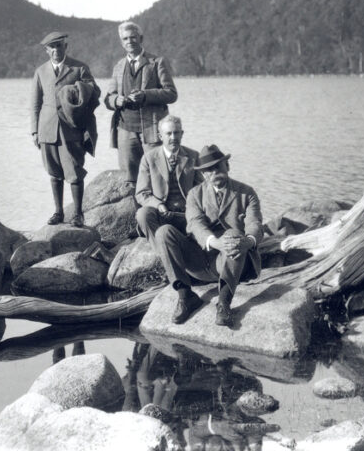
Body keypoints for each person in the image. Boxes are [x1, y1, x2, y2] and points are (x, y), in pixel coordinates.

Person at [159, 144, 263, 327]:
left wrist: (248, 241)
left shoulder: (247, 193)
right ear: (203, 175)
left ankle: (223, 304)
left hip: (233, 260)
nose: (214, 172)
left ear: (227, 166)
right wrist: (215, 243)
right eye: (208, 170)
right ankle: (185, 296)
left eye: (218, 166)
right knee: (164, 232)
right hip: (199, 261)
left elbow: (254, 223)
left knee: (233, 235)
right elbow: (194, 223)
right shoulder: (194, 194)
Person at [31, 31, 100, 227]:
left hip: (72, 127)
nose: (55, 50)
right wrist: (35, 131)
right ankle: (58, 212)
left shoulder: (79, 68)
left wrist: (78, 90)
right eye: (51, 47)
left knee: (74, 170)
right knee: (54, 171)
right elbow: (35, 104)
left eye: (59, 46)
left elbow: (95, 93)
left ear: (65, 47)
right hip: (47, 128)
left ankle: (78, 214)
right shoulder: (40, 72)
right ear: (46, 50)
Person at [104, 21, 178, 185]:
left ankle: (158, 209)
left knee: (157, 174)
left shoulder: (157, 62)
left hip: (152, 129)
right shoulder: (118, 66)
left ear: (141, 38)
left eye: (133, 37)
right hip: (125, 130)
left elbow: (172, 94)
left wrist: (145, 95)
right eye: (125, 39)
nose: (129, 41)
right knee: (129, 178)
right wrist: (118, 100)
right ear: (122, 42)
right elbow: (108, 98)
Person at [135, 114, 201, 242]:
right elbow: (141, 193)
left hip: (186, 214)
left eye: (176, 133)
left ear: (182, 134)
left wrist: (192, 209)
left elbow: (202, 189)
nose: (173, 138)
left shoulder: (194, 156)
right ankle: (160, 249)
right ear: (160, 136)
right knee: (142, 214)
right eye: (168, 134)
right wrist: (159, 205)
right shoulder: (149, 158)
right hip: (161, 214)